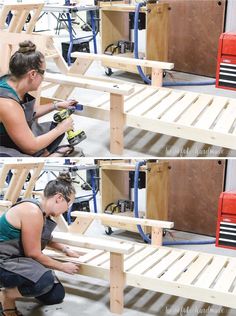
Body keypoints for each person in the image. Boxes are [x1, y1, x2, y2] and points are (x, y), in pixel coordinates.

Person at [0, 172, 80, 316]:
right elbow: (33, 253)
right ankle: (7, 296)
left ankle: (15, 288)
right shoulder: (31, 211)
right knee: (44, 281)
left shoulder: (42, 213)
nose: (68, 209)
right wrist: (63, 266)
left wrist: (65, 249)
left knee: (55, 295)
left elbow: (41, 238)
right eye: (69, 204)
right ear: (59, 198)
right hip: (3, 261)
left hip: (16, 258)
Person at [0, 40, 78, 157]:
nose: (43, 77)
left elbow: (26, 113)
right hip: (3, 144)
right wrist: (61, 129)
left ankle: (44, 155)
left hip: (8, 135)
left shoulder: (9, 81)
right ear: (32, 74)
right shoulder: (8, 104)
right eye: (43, 72)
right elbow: (30, 147)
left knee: (54, 129)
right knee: (22, 159)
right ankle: (45, 157)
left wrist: (56, 105)